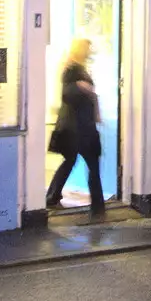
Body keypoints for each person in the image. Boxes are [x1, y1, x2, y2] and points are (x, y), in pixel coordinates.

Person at [45, 38, 104, 218]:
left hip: (79, 126)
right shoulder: (72, 70)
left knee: (72, 161)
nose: (90, 51)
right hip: (78, 127)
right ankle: (97, 205)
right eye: (87, 48)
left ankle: (53, 196)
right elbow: (68, 94)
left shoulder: (77, 69)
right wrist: (83, 88)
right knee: (90, 164)